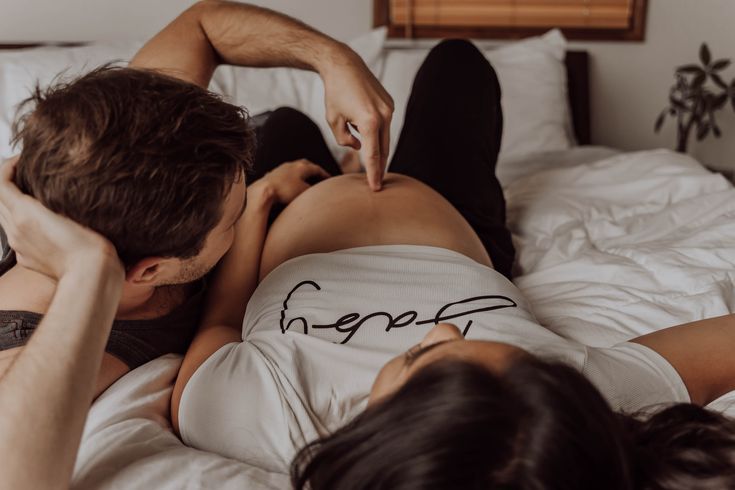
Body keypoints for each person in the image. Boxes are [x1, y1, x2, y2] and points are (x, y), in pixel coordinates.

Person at [173, 39, 735, 490]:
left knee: (285, 127)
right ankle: (359, 159)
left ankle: (335, 162)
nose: (441, 328)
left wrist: (261, 204)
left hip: (295, 209)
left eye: (421, 357)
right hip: (446, 207)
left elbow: (222, 318)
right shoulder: (552, 413)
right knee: (457, 61)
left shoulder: (251, 414)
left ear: (382, 441)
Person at [0, 0, 393, 398]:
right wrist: (258, 198)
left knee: (286, 126)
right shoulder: (30, 355)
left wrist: (333, 59)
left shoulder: (111, 141)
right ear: (149, 271)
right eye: (231, 220)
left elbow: (202, 24)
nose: (238, 217)